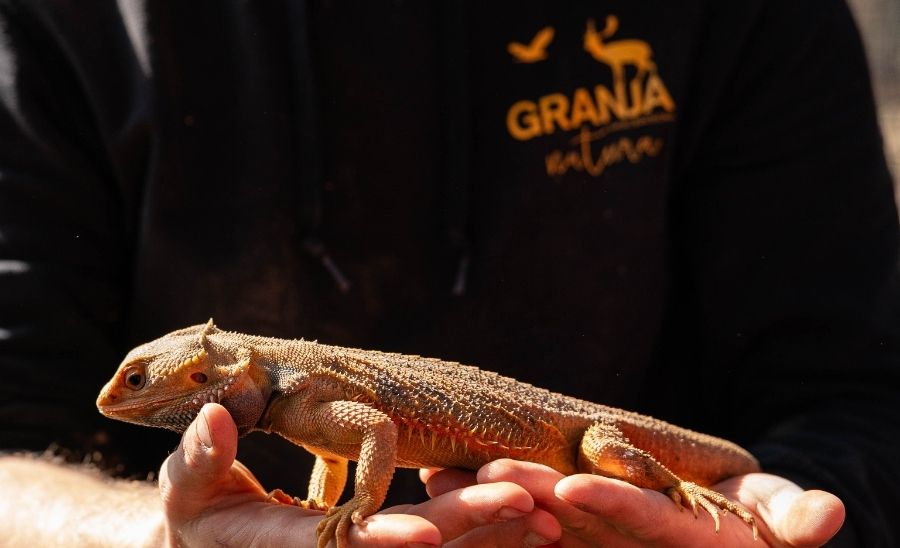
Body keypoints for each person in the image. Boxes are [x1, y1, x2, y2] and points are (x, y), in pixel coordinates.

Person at [0, 1, 897, 546]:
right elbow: (14, 442)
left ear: (200, 370)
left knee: (606, 455)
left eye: (139, 379)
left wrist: (778, 500)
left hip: (589, 461)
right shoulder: (60, 23)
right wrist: (160, 535)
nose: (123, 394)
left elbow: (851, 382)